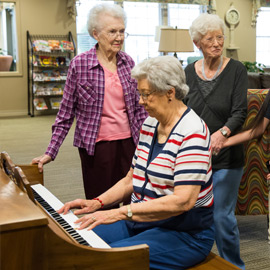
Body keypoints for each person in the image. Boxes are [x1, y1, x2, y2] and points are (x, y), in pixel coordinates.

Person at [58, 55, 214, 270]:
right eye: (139, 93)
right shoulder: (150, 124)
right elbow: (132, 178)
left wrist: (120, 212)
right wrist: (98, 203)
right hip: (143, 220)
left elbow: (183, 202)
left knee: (103, 262)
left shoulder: (192, 132)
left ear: (170, 92)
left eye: (146, 94)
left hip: (184, 233)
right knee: (75, 239)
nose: (140, 101)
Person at [31, 3, 147, 201]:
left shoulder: (129, 63)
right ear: (96, 34)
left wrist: (149, 143)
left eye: (122, 31)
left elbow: (140, 110)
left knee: (133, 200)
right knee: (100, 202)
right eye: (112, 31)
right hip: (96, 146)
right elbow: (66, 113)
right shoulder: (80, 64)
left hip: (130, 142)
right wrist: (51, 152)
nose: (119, 37)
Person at [184, 13, 247, 270]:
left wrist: (223, 133)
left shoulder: (236, 70)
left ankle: (233, 266)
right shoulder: (188, 72)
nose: (217, 43)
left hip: (227, 159)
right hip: (194, 156)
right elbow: (182, 111)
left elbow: (240, 112)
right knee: (192, 215)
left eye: (220, 37)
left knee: (221, 217)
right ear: (198, 43)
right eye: (210, 38)